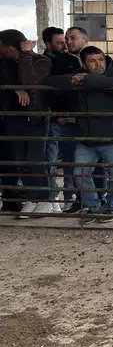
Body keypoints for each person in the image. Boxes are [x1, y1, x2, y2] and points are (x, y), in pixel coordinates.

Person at [45, 46, 113, 224]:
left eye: (100, 59)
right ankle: (93, 208)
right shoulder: (77, 76)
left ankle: (110, 209)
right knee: (79, 174)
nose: (98, 64)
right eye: (92, 61)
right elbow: (49, 81)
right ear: (84, 63)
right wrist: (72, 80)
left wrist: (88, 79)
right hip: (86, 138)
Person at [0, 29, 51, 217]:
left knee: (35, 160)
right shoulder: (5, 62)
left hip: (35, 118)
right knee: (21, 161)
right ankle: (32, 199)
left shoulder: (42, 60)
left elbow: (30, 81)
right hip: (13, 118)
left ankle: (44, 200)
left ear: (10, 47)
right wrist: (15, 90)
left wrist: (27, 55)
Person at [63, 25, 107, 212]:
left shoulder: (99, 62)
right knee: (73, 163)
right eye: (67, 39)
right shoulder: (64, 61)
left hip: (95, 120)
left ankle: (99, 199)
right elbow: (54, 82)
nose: (69, 42)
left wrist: (87, 78)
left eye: (73, 38)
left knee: (97, 164)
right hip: (72, 119)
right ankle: (81, 199)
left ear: (85, 39)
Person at [41, 26, 81, 212]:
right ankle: (52, 197)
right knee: (49, 159)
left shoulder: (72, 60)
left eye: (65, 41)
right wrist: (67, 80)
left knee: (70, 159)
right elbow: (42, 84)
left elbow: (76, 86)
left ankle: (69, 195)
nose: (64, 45)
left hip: (69, 116)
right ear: (48, 44)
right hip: (50, 116)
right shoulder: (40, 62)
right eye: (59, 42)